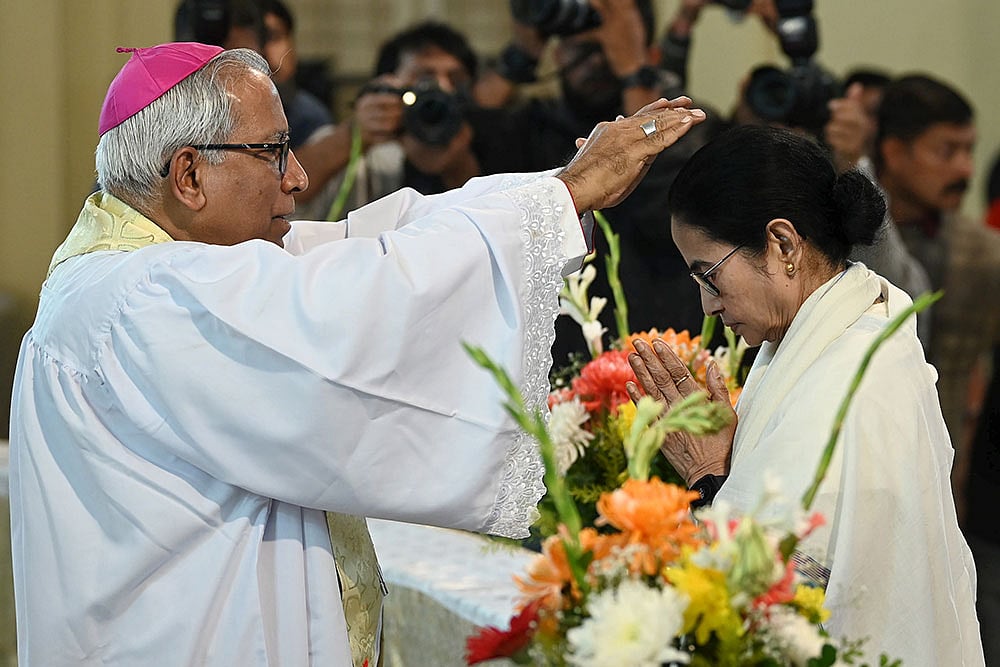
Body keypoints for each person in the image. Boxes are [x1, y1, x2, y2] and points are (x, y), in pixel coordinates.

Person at [8, 41, 705, 666]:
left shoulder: (143, 274)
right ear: (189, 175)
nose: (298, 177)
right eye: (272, 150)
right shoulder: (140, 298)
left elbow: (381, 239)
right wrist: (564, 195)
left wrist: (557, 188)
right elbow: (361, 294)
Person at [626, 126, 983, 665]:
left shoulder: (851, 378)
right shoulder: (832, 331)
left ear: (784, 243)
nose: (707, 306)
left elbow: (784, 598)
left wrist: (708, 478)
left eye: (710, 277)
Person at [487, 0, 723, 364]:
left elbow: (672, 210)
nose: (594, 63)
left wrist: (634, 73)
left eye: (604, 49)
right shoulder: (528, 128)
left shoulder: (692, 123)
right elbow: (454, 148)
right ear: (556, 48)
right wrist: (523, 51)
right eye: (580, 49)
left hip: (669, 346)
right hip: (556, 360)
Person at [861, 74, 1000, 518]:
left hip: (946, 493)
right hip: (855, 473)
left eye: (969, 150)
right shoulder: (838, 236)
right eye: (947, 151)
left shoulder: (983, 253)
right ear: (894, 152)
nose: (966, 170)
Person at [293, 21, 499, 221]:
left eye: (455, 79)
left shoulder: (484, 137)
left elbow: (488, 222)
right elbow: (290, 192)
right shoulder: (357, 145)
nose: (442, 88)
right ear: (388, 83)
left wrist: (457, 165)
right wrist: (356, 132)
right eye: (425, 78)